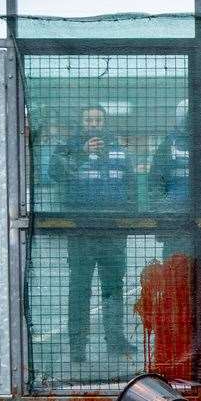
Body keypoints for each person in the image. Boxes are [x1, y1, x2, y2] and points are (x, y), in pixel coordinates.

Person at [50, 104, 137, 364]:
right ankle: (78, 345)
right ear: (82, 122)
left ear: (104, 122)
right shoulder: (67, 148)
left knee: (113, 288)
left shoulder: (119, 151)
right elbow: (53, 172)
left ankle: (115, 340)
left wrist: (130, 221)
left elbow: (131, 187)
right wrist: (81, 152)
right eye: (89, 119)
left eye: (98, 119)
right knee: (80, 289)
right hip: (80, 233)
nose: (94, 124)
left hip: (113, 233)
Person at [148, 99, 201, 263]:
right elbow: (155, 183)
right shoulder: (168, 146)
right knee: (177, 276)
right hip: (177, 225)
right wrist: (161, 220)